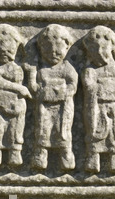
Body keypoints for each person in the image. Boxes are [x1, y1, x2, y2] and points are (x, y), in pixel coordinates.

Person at [26, 25, 78, 171]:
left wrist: (65, 91)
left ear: (67, 47)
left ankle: (66, 155)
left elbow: (73, 84)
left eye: (57, 50)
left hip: (63, 107)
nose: (53, 53)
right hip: (44, 107)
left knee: (63, 130)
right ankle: (40, 155)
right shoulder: (41, 69)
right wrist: (31, 74)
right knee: (43, 129)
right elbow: (34, 87)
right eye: (48, 49)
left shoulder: (67, 67)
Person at [0, 24, 32, 168]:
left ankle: (15, 154)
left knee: (15, 132)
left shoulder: (18, 68)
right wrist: (19, 88)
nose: (4, 52)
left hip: (17, 108)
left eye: (9, 49)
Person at [82, 26, 115, 174]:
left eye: (103, 50)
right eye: (95, 51)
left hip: (113, 108)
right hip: (96, 107)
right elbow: (88, 86)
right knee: (94, 132)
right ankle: (93, 159)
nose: (100, 55)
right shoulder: (90, 70)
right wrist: (101, 87)